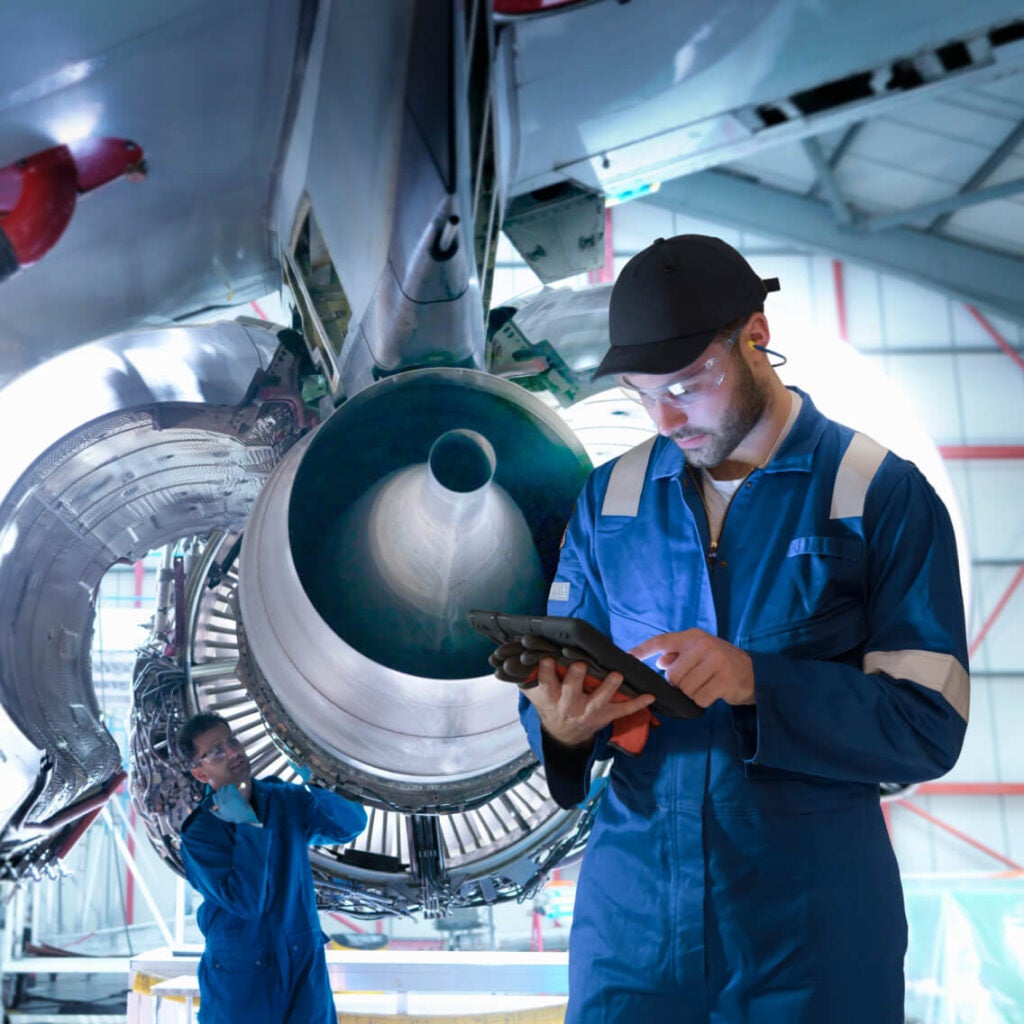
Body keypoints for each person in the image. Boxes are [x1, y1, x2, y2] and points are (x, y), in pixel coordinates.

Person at [516, 234, 969, 1023]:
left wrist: (760, 681)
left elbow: (927, 725)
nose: (665, 418)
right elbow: (558, 679)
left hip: (812, 935)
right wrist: (558, 728)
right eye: (640, 394)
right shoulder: (608, 501)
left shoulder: (877, 496)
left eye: (690, 385)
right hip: (634, 930)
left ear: (756, 337)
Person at [177, 712, 367, 1024]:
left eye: (232, 741)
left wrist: (315, 775)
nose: (233, 753)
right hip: (243, 985)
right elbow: (246, 901)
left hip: (303, 971)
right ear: (200, 773)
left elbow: (349, 825)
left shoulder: (282, 800)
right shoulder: (201, 833)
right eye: (216, 752)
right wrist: (246, 823)